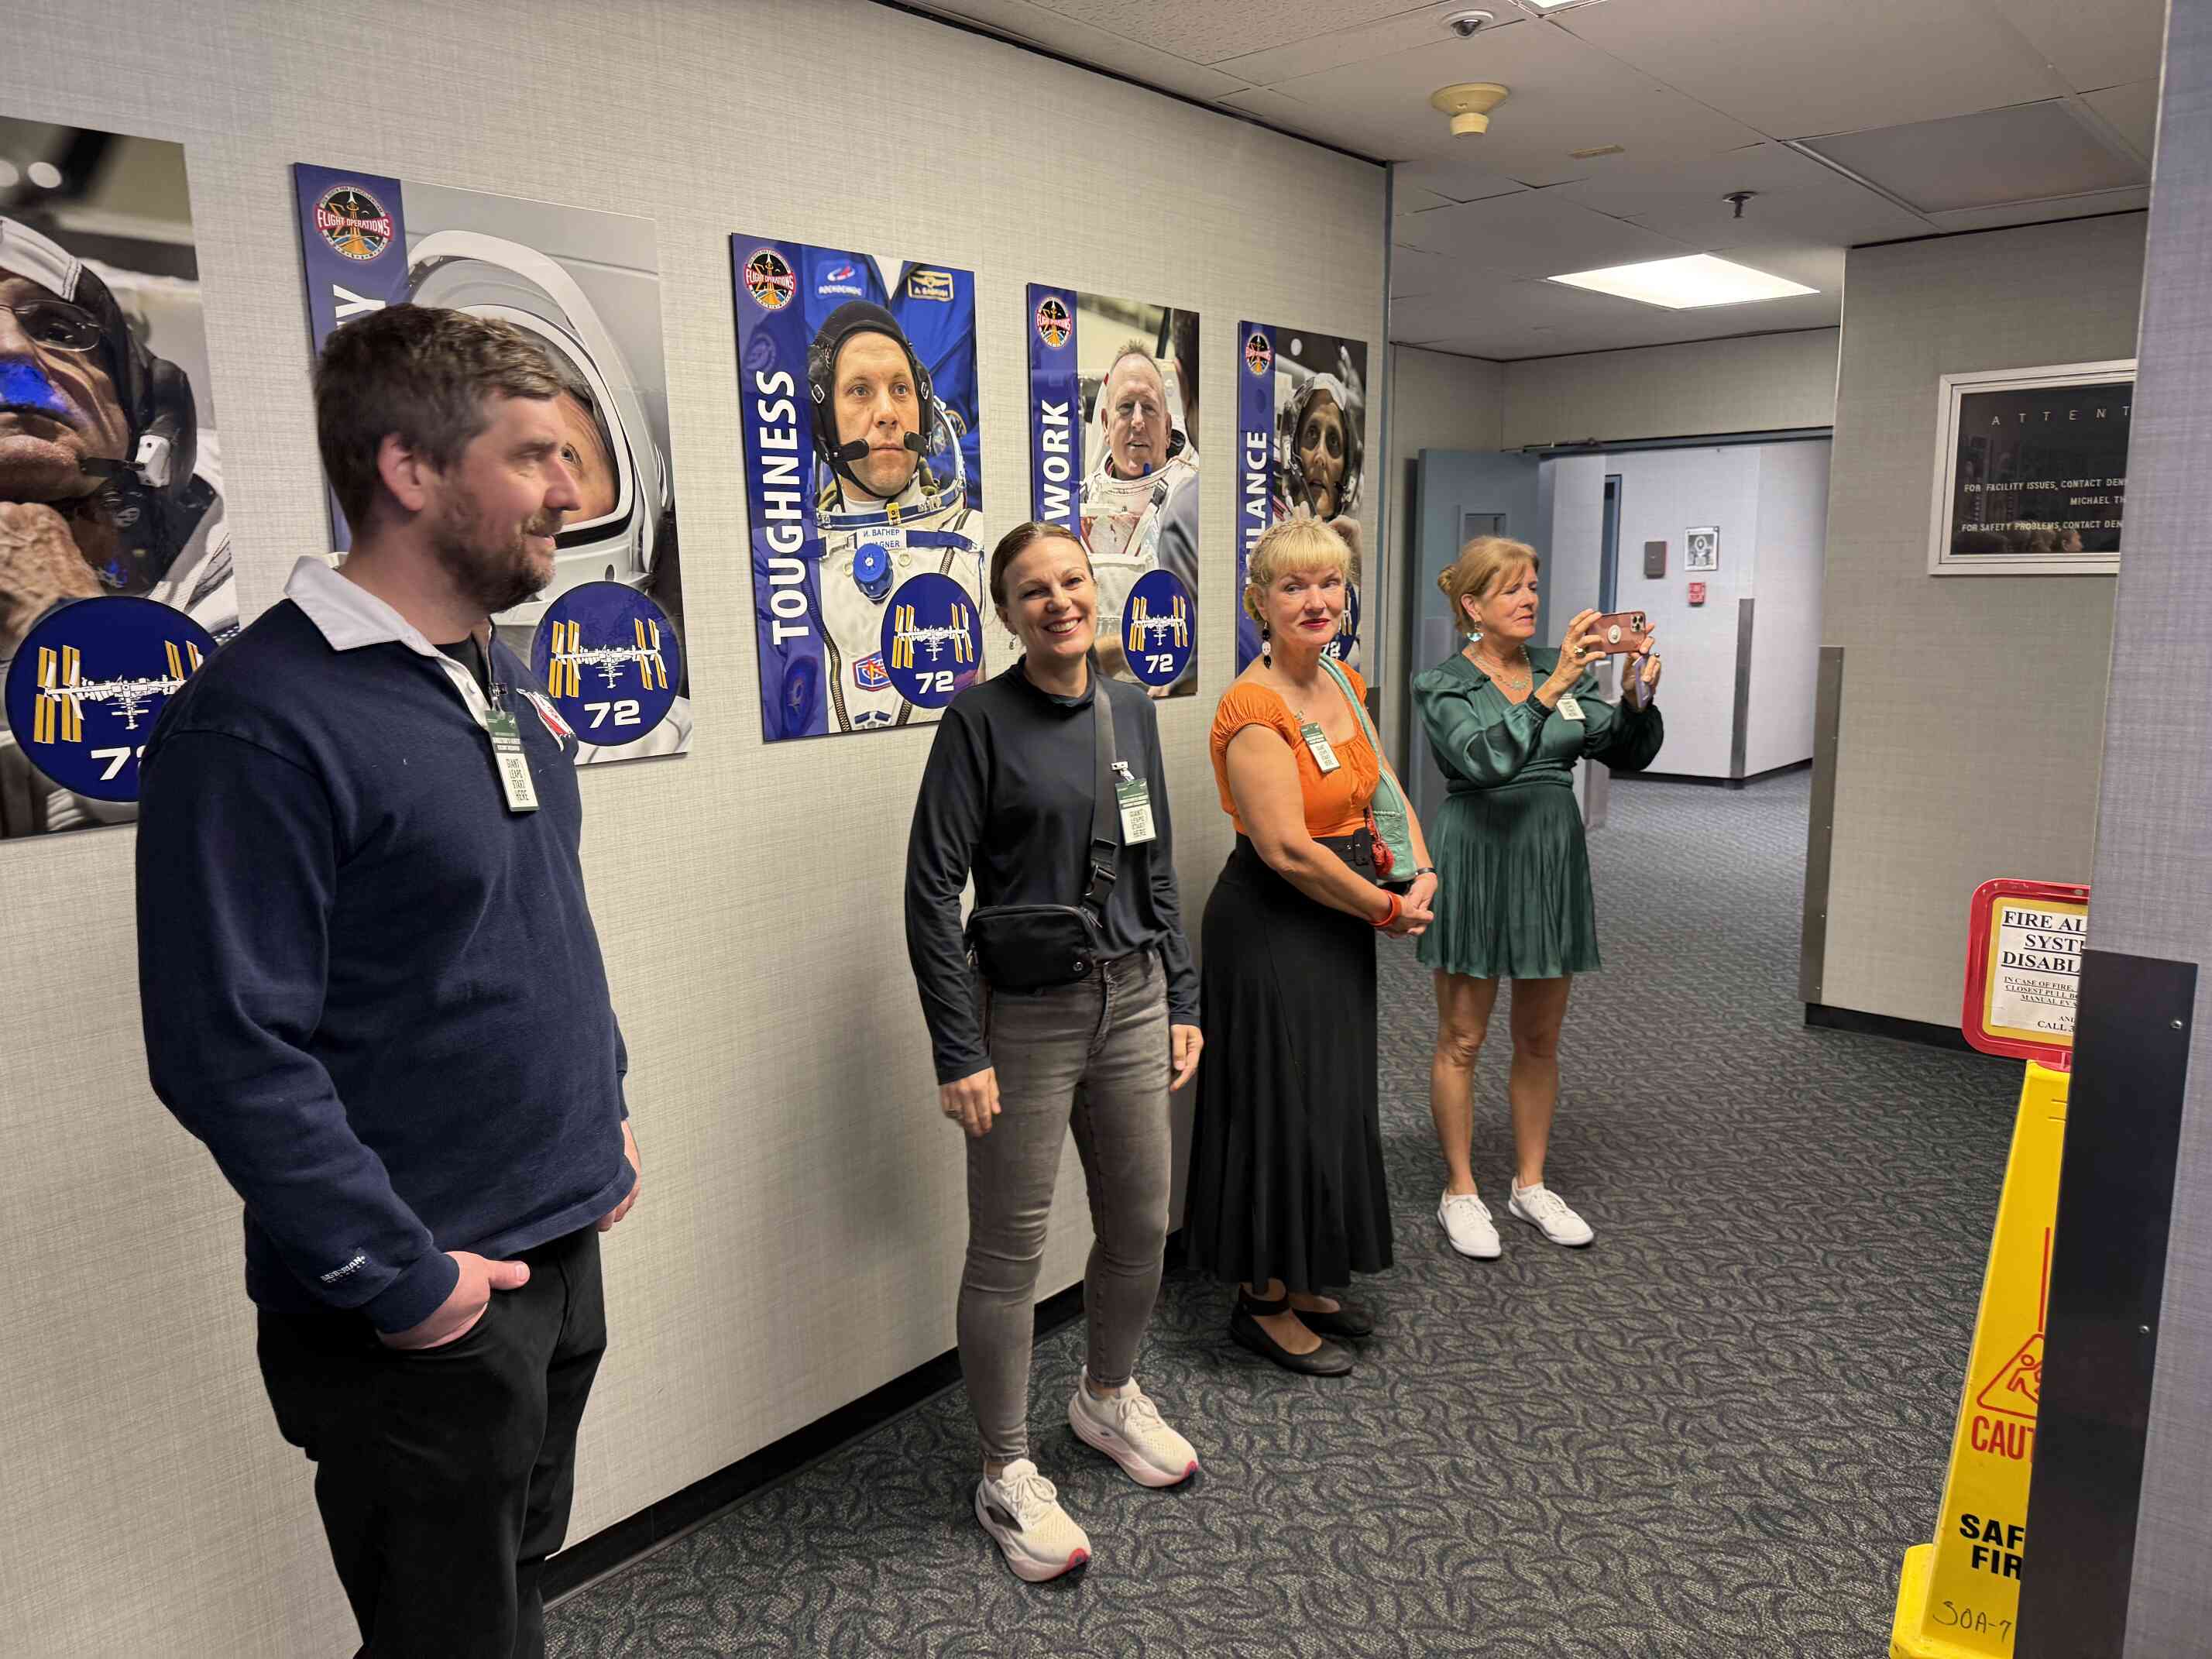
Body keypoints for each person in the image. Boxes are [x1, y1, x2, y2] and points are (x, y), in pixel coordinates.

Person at [135, 304, 641, 1659]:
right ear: (409, 467)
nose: (571, 491)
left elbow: (533, 918)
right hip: (417, 1305)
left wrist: (603, 1104)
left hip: (558, 1237)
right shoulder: (259, 721)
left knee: (512, 1587)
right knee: (443, 1635)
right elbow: (225, 1049)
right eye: (533, 455)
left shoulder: (491, 674)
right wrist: (404, 1280)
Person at [905, 520, 1204, 1582]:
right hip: (1023, 1018)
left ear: (1095, 589)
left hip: (1134, 997)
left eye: (1072, 580)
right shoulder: (977, 721)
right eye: (1034, 590)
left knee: (1140, 1221)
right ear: (1007, 613)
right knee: (1009, 1253)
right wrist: (958, 1046)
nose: (1060, 601)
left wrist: (1182, 992)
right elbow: (931, 892)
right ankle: (1004, 1470)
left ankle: (1107, 1395)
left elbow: (1154, 860)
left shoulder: (1131, 708)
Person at [1183, 517, 1434, 1376]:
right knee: (1277, 1107)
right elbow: (1287, 850)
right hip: (1273, 928)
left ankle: (1300, 1275)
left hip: (1337, 921)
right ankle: (1261, 1303)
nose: (1316, 600)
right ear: (1260, 602)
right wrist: (1384, 910)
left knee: (1327, 1099)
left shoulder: (1340, 679)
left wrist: (1419, 867)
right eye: (1293, 586)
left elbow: (1382, 786)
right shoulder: (1253, 708)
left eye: (1329, 583)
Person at [1414, 535, 1664, 1261]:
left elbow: (1627, 748)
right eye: (1512, 589)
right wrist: (1551, 691)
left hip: (1550, 857)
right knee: (1463, 1038)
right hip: (1478, 852)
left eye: (1532, 586)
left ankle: (1530, 1184)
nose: (1529, 600)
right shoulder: (1443, 684)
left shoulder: (1563, 666)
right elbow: (1483, 759)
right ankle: (1461, 1190)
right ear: (1472, 605)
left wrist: (1637, 696)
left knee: (1539, 1039)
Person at [1, 214, 234, 836]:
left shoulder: (270, 533)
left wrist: (55, 614)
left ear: (142, 394)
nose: (13, 351)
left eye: (56, 328)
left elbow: (209, 810)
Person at [809, 299, 986, 731]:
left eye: (901, 389)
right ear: (824, 420)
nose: (887, 413)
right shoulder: (782, 574)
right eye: (860, 390)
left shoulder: (983, 548)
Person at [1080, 342, 1197, 685]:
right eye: (1125, 407)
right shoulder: (1074, 502)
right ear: (1105, 423)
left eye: (1149, 408)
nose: (1137, 421)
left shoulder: (1193, 502)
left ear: (1168, 427)